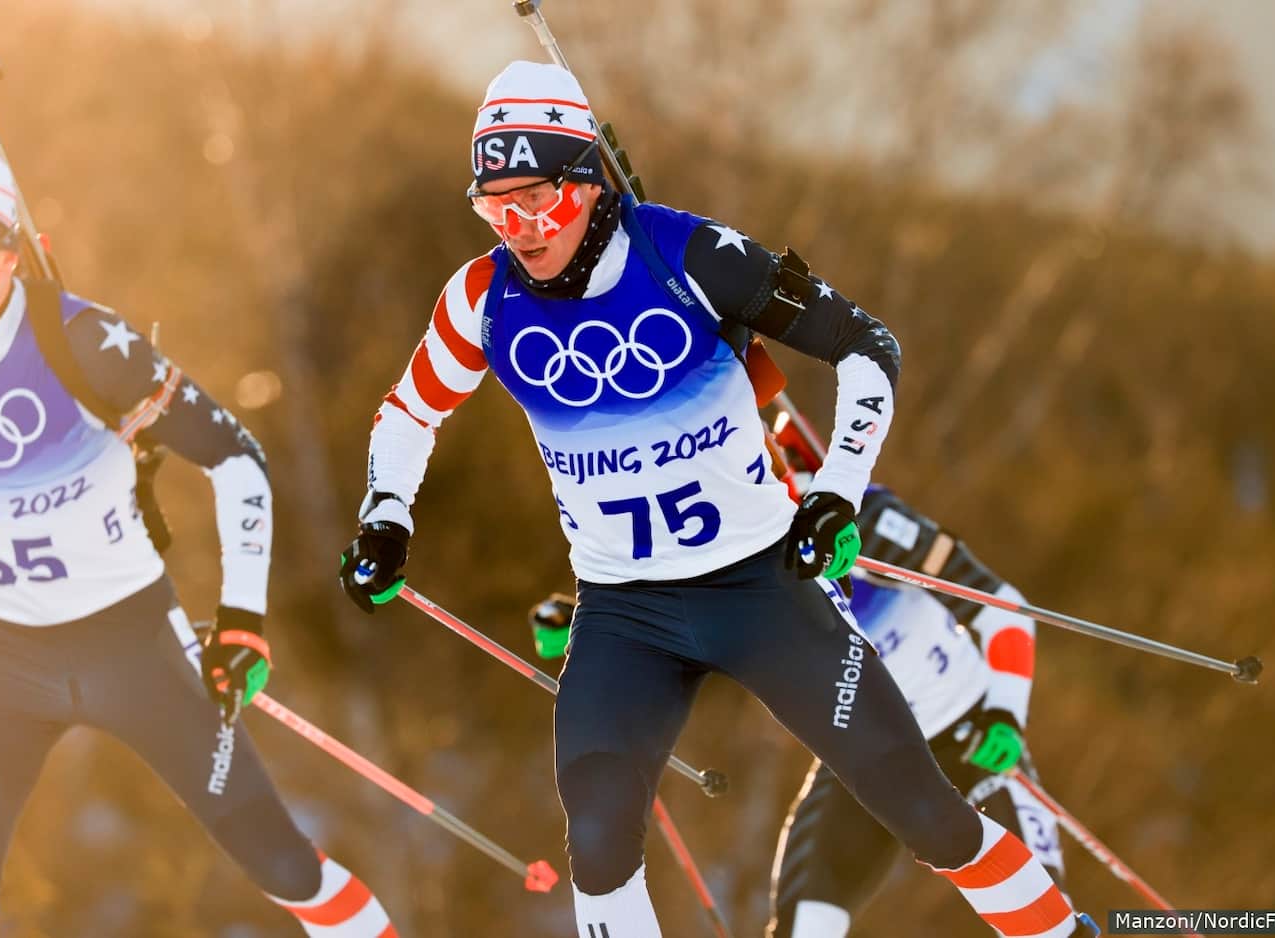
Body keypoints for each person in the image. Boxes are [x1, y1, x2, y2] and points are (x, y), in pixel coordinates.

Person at [338, 61, 1093, 938]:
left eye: (535, 198)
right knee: (599, 839)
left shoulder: (689, 254)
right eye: (495, 206)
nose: (518, 228)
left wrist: (837, 494)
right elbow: (407, 414)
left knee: (926, 813)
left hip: (760, 588)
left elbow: (866, 346)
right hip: (625, 610)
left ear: (586, 181)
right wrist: (385, 517)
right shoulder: (482, 299)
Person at [0, 146, 396, 938]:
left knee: (282, 864)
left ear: (5, 258)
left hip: (132, 642)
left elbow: (235, 457)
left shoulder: (86, 343)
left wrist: (242, 621)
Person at [527, 483, 1073, 938]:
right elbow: (678, 642)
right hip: (858, 746)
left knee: (1041, 912)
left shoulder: (857, 513)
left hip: (969, 734)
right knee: (806, 923)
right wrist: (581, 631)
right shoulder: (722, 540)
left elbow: (1003, 608)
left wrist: (1005, 713)